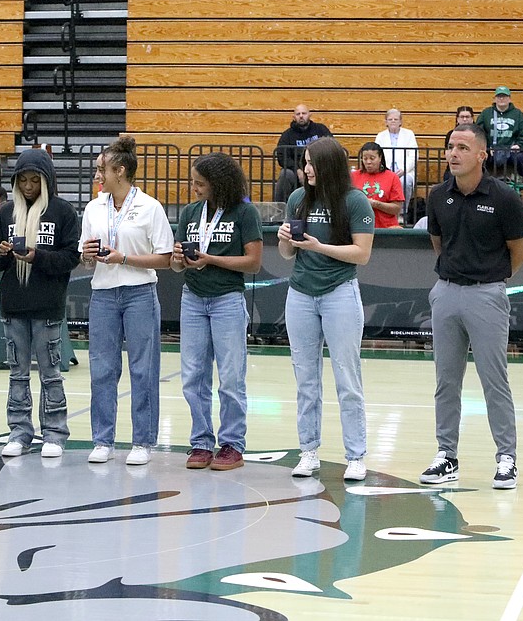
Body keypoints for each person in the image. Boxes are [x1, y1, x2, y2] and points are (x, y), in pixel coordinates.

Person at [422, 123, 523, 489]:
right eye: (451, 146)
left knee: (494, 381)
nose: (453, 153)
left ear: (482, 155)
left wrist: (491, 280)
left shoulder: (504, 198)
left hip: (488, 294)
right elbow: (439, 242)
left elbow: (521, 250)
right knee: (445, 381)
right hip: (446, 292)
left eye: (462, 147)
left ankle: (506, 457)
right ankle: (446, 455)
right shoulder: (438, 196)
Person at [278, 137, 374, 481]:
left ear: (328, 165)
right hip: (300, 294)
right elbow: (288, 256)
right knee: (305, 378)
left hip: (339, 293)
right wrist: (285, 240)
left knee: (347, 378)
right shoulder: (297, 198)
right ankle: (308, 451)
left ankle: (356, 455)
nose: (306, 169)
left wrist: (321, 246)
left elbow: (361, 254)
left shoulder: (355, 201)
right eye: (304, 162)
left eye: (312, 163)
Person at [80, 136, 173, 466]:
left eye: (101, 169)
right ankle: (103, 440)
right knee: (102, 369)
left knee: (143, 369)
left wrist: (124, 259)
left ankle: (142, 441)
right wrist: (88, 256)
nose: (96, 175)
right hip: (102, 295)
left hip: (140, 294)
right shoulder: (93, 208)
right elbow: (85, 257)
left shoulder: (150, 207)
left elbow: (165, 259)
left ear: (119, 171)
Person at [171, 152, 263, 471]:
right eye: (193, 182)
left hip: (227, 299)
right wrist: (178, 258)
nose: (194, 188)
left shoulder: (244, 212)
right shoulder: (189, 213)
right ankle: (200, 442)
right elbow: (177, 262)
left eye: (200, 183)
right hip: (193, 296)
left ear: (218, 184)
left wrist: (211, 259)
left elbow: (253, 262)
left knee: (231, 377)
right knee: (192, 376)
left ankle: (232, 444)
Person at [0, 149, 81, 459]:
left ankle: (54, 433)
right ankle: (19, 431)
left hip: (48, 308)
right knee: (17, 373)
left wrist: (37, 256)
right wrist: (2, 252)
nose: (29, 186)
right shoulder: (5, 213)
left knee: (50, 372)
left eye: (35, 180)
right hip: (13, 306)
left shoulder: (63, 212)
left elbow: (71, 258)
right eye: (23, 180)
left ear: (46, 180)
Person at [273, 104, 332, 203]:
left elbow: (331, 147)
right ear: (294, 117)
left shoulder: (321, 129)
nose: (301, 116)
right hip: (296, 172)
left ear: (310, 115)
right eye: (298, 114)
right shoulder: (287, 135)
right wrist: (297, 170)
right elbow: (282, 157)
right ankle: (281, 210)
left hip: (321, 169)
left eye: (304, 113)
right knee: (285, 174)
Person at [476, 87, 523, 182]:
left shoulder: (518, 114)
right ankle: (477, 181)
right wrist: (486, 147)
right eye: (499, 96)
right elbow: (479, 132)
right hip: (491, 149)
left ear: (509, 99)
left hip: (510, 150)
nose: (501, 99)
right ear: (494, 99)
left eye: (504, 96)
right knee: (480, 157)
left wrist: (519, 145)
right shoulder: (486, 114)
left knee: (520, 157)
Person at [351, 142, 405, 229]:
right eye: (365, 158)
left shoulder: (392, 177)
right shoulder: (354, 176)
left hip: (386, 227)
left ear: (380, 158)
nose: (368, 162)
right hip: (360, 228)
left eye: (372, 158)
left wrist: (375, 204)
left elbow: (396, 208)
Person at [374, 109, 418, 214]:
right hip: (385, 170)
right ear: (386, 122)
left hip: (405, 171)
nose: (393, 121)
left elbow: (414, 155)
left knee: (405, 182)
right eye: (390, 119)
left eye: (396, 119)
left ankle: (402, 212)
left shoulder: (409, 134)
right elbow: (376, 154)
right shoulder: (380, 136)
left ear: (400, 122)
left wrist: (403, 169)